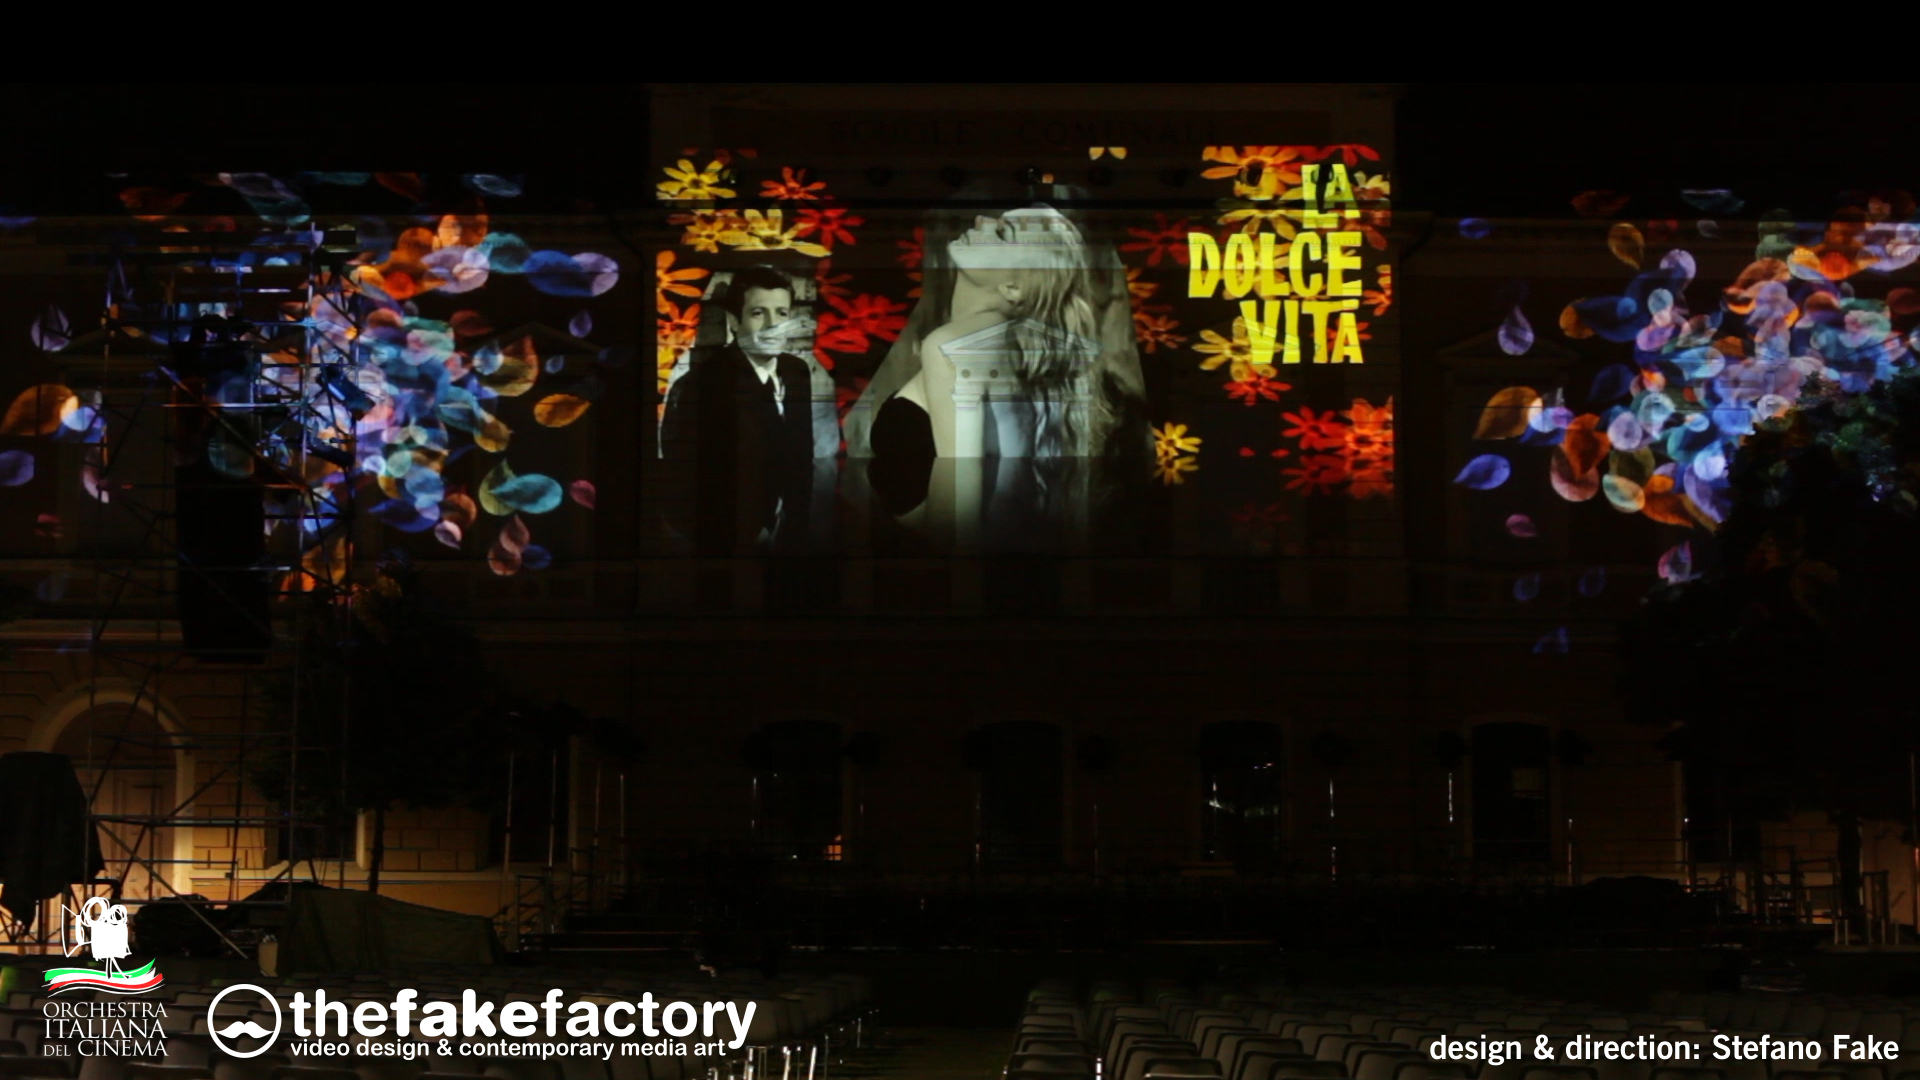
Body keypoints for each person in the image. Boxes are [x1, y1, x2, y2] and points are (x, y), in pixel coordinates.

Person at [845, 204, 1149, 540]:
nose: (981, 220)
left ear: (1013, 287)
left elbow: (956, 523)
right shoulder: (1024, 351)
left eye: (1003, 232)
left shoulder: (957, 346)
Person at [659, 266, 818, 552]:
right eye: (758, 313)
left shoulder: (796, 371)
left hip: (789, 537)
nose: (773, 326)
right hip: (728, 539)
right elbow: (687, 478)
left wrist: (794, 528)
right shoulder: (704, 383)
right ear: (734, 321)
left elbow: (801, 459)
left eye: (781, 313)